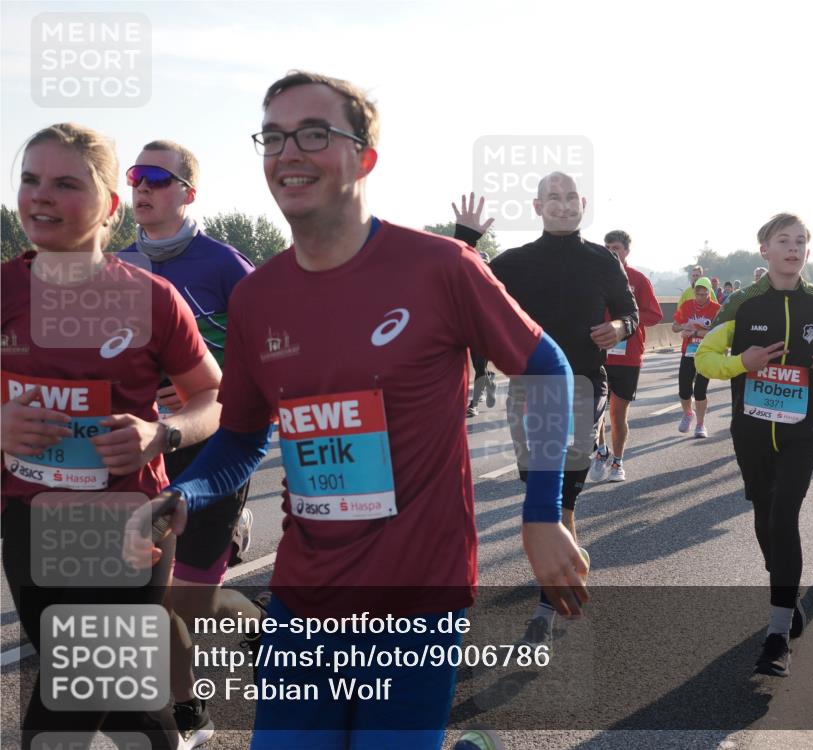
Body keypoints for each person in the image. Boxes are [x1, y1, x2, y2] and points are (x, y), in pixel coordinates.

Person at [125, 72, 586, 750]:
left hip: (416, 595)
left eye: (314, 133)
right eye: (274, 137)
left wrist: (542, 513)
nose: (288, 152)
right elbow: (243, 438)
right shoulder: (259, 297)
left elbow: (546, 367)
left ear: (364, 157)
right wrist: (186, 491)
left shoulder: (440, 268)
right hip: (306, 598)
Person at [2, 123, 222, 749]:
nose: (41, 197)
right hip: (28, 517)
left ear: (109, 206)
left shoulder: (153, 299)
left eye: (66, 183)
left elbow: (211, 395)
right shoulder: (4, 290)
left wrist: (163, 432)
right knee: (125, 697)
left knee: (69, 698)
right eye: (30, 180)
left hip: (127, 521)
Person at [453, 173, 638, 652]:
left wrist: (619, 326)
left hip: (581, 386)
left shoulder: (603, 260)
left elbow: (631, 313)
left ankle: (543, 616)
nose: (561, 205)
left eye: (569, 198)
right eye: (551, 198)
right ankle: (570, 566)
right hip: (527, 390)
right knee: (544, 496)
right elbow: (463, 288)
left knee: (559, 502)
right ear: (538, 206)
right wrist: (465, 240)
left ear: (582, 203)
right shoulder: (514, 262)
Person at [118, 139, 258, 749]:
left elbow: (265, 347)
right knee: (152, 600)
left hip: (217, 447)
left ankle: (264, 627)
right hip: (145, 450)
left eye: (156, 177)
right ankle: (190, 713)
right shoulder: (117, 265)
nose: (142, 188)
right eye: (134, 177)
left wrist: (210, 388)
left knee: (189, 601)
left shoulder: (225, 264)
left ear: (188, 193)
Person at [695, 213, 813, 677]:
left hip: (803, 430)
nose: (794, 248)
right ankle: (788, 589)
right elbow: (705, 360)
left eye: (801, 241)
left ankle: (777, 635)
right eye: (784, 241)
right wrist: (744, 360)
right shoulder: (741, 303)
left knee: (784, 516)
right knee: (765, 517)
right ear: (765, 249)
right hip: (753, 431)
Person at [589, 229, 663, 482]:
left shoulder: (637, 280)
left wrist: (625, 322)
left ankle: (618, 461)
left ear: (626, 251)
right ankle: (600, 452)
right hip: (597, 354)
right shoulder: (594, 277)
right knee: (595, 411)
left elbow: (654, 315)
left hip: (628, 356)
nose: (611, 252)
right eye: (607, 247)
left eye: (616, 248)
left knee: (617, 413)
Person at [672, 277, 721, 437]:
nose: (700, 297)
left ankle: (700, 425)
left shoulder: (716, 309)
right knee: (684, 390)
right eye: (698, 294)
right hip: (688, 352)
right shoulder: (687, 306)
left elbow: (716, 333)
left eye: (704, 294)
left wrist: (695, 332)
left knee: (700, 390)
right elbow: (674, 327)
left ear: (709, 293)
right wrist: (682, 327)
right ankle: (688, 413)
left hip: (706, 353)